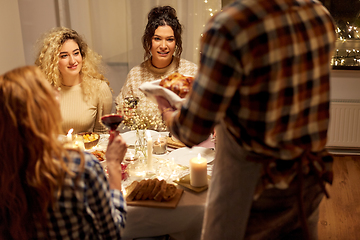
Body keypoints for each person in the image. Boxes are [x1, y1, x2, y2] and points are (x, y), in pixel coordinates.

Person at [156, 0, 336, 239]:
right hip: (306, 182)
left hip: (252, 191)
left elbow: (193, 130)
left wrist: (169, 113)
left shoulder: (230, 26)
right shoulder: (318, 14)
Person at [0, 66, 127, 239]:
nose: (57, 93)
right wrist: (113, 165)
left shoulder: (6, 170)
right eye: (48, 91)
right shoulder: (79, 167)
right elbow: (112, 232)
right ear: (43, 111)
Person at [115, 5, 198, 125]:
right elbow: (123, 112)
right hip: (146, 141)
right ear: (149, 41)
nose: (163, 46)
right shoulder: (136, 74)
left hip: (181, 142)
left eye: (169, 39)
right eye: (157, 39)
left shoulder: (191, 71)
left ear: (176, 43)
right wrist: (125, 114)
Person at [35, 27, 113, 134]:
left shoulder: (100, 89)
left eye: (76, 53)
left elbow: (103, 135)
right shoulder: (44, 91)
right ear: (53, 61)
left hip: (90, 150)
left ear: (82, 55)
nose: (72, 61)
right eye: (64, 56)